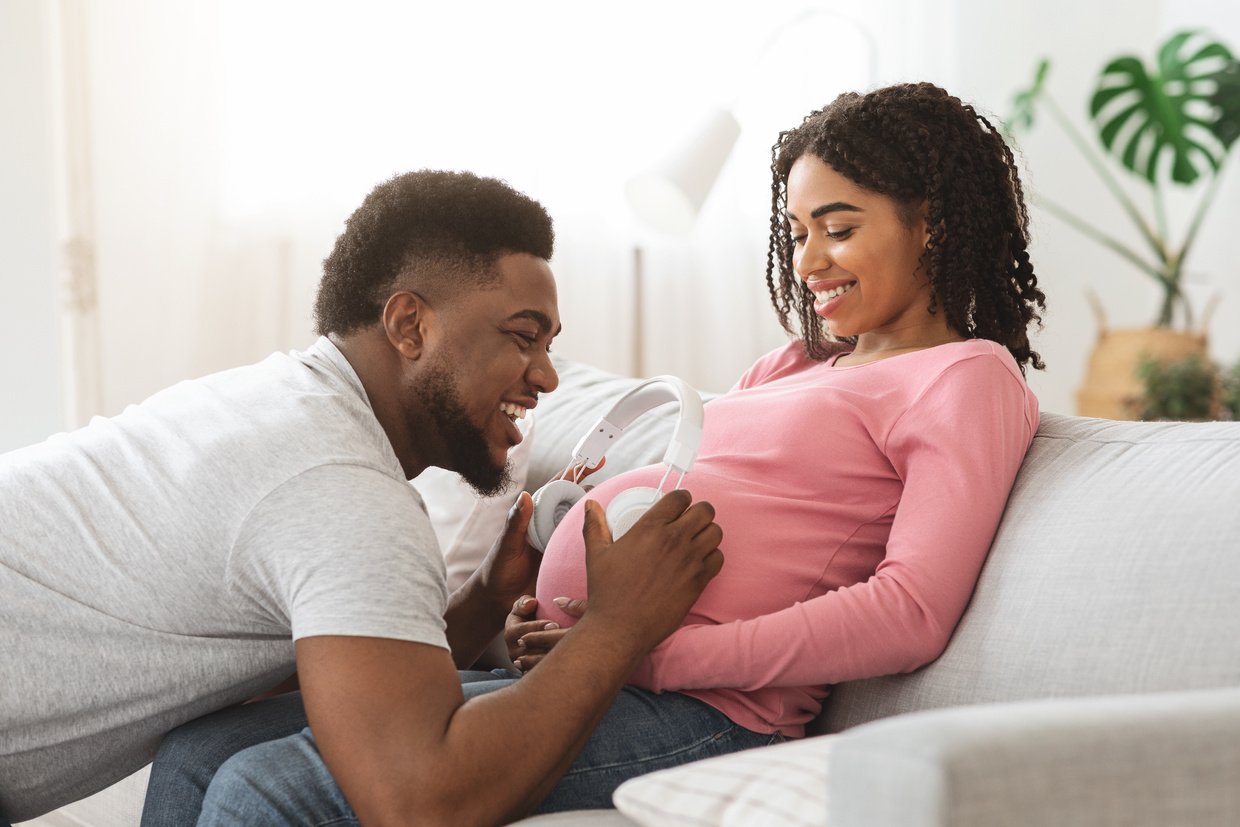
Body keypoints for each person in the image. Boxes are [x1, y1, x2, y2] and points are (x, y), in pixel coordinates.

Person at [152, 81, 1049, 823]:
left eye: (839, 227)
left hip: (710, 711)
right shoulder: (791, 364)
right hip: (614, 669)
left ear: (931, 223)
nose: (809, 260)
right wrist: (552, 627)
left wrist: (652, 653)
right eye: (797, 230)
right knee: (202, 749)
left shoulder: (967, 378)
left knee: (272, 788)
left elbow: (910, 610)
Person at [0, 170, 724, 827]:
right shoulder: (342, 488)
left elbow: (362, 686)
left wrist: (483, 600)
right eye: (522, 337)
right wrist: (617, 626)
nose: (546, 377)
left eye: (548, 346)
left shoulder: (284, 407)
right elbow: (421, 801)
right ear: (410, 325)